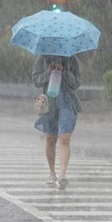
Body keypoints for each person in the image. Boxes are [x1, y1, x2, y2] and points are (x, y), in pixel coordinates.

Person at [32, 55, 82, 190]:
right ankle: (52, 173)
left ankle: (62, 175)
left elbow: (77, 83)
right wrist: (49, 71)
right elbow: (36, 80)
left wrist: (63, 72)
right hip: (49, 104)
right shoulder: (42, 58)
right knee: (50, 139)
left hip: (67, 103)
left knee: (65, 138)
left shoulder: (72, 59)